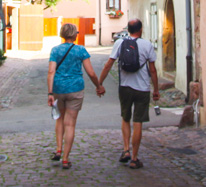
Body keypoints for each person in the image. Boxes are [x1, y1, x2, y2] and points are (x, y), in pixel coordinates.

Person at [96, 18, 158, 169]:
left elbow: (109, 64)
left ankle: (126, 150)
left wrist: (100, 83)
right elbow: (153, 70)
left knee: (125, 118)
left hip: (125, 86)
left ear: (128, 30)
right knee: (138, 122)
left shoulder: (119, 43)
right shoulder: (147, 45)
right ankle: (135, 159)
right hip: (142, 89)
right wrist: (156, 89)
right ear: (140, 29)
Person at [47, 22, 103, 169]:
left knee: (59, 119)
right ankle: (65, 159)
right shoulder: (81, 50)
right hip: (75, 89)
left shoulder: (55, 50)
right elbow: (90, 72)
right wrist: (98, 86)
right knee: (70, 123)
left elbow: (51, 71)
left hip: (58, 89)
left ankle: (59, 149)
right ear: (75, 35)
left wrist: (50, 92)